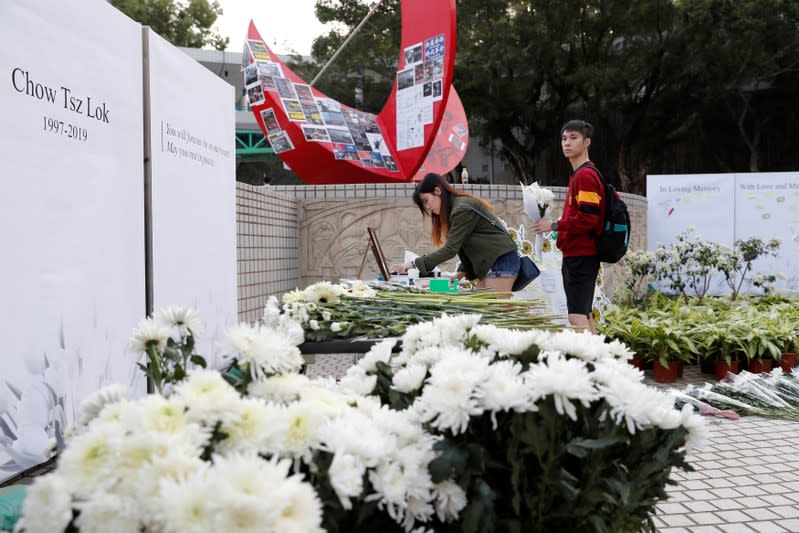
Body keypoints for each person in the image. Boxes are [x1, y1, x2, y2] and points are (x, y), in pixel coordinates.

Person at [390, 173, 520, 291]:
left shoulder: (461, 209)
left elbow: (450, 250)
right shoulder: (456, 208)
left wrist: (412, 264)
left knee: (499, 310)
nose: (428, 207)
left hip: (501, 262)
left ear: (437, 191)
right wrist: (457, 276)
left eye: (426, 200)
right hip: (493, 264)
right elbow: (467, 249)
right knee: (487, 309)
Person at [533, 120, 604, 333]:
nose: (567, 143)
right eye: (564, 138)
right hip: (580, 253)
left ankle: (588, 364)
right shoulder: (581, 174)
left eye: (573, 138)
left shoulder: (585, 175)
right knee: (585, 313)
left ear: (587, 142)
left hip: (581, 254)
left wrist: (554, 225)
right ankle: (601, 362)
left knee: (576, 316)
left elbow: (589, 218)